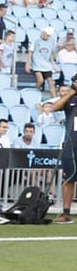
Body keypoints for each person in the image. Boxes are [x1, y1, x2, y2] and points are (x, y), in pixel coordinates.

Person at [54, 80, 77, 223]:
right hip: (71, 143)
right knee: (68, 178)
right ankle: (66, 213)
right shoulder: (71, 99)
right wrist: (72, 92)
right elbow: (55, 107)